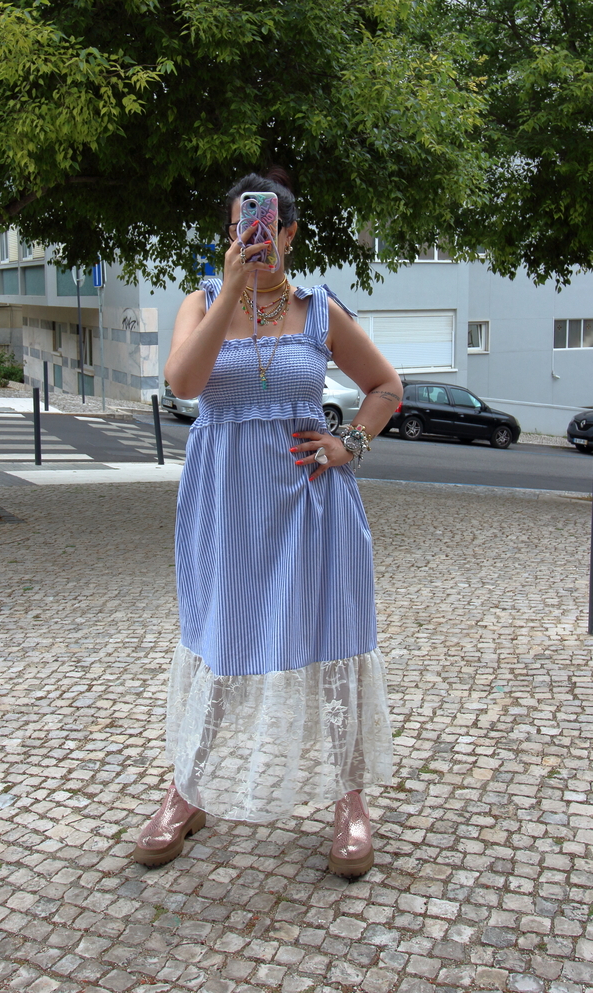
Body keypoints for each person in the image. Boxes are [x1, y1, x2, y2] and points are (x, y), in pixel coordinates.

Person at [132, 169, 401, 877]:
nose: (252, 239)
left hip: (314, 512)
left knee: (333, 643)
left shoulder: (318, 310)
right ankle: (187, 791)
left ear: (287, 233)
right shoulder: (201, 302)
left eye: (265, 227)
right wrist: (229, 291)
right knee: (221, 641)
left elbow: (386, 386)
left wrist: (353, 445)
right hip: (226, 510)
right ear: (230, 235)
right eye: (238, 228)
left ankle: (350, 801)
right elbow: (183, 384)